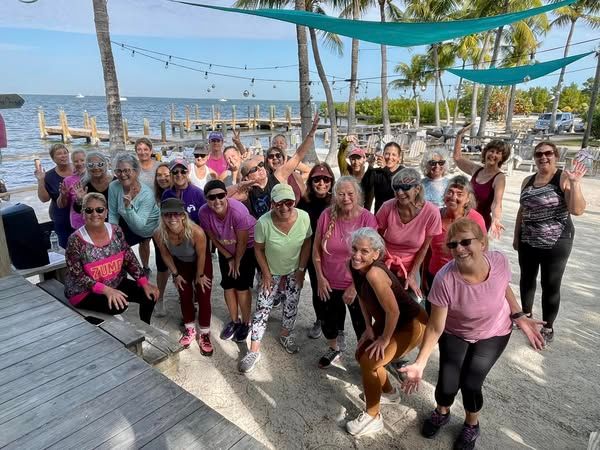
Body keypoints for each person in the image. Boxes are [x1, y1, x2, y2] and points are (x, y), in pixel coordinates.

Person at [401, 218, 544, 450]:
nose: (459, 248)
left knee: (470, 383)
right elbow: (436, 327)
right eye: (453, 245)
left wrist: (518, 314)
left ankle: (471, 424)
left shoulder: (498, 261)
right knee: (447, 384)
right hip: (455, 332)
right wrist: (420, 363)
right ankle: (442, 411)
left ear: (482, 243)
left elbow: (502, 286)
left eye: (466, 242)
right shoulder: (444, 279)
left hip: (494, 332)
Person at [345, 228, 428, 437]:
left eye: (364, 251)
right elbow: (362, 299)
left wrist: (384, 339)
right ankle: (389, 393)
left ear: (376, 254)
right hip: (390, 320)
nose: (357, 255)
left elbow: (394, 310)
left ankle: (373, 417)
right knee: (361, 354)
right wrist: (369, 328)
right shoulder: (354, 266)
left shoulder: (374, 273)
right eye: (355, 249)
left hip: (412, 322)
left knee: (370, 361)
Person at [513, 141, 587, 344]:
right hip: (528, 238)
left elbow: (577, 210)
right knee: (526, 279)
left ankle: (547, 325)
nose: (543, 157)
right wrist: (516, 235)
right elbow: (523, 209)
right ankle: (526, 316)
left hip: (556, 241)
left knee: (550, 284)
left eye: (548, 153)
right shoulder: (528, 180)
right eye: (539, 154)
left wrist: (575, 183)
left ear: (555, 155)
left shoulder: (562, 177)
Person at [238, 184, 312, 373]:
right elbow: (258, 249)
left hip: (294, 269)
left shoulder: (303, 217)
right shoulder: (263, 222)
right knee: (263, 306)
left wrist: (302, 269)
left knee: (292, 303)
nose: (284, 207)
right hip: (272, 270)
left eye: (289, 202)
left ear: (294, 202)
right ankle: (254, 350)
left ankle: (285, 335)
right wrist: (266, 274)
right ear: (272, 203)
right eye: (279, 203)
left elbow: (307, 242)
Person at [64, 193, 159, 324]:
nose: (94, 213)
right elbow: (77, 276)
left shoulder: (116, 230)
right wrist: (106, 290)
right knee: (119, 305)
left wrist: (144, 282)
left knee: (150, 294)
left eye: (99, 209)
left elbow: (129, 258)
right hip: (84, 292)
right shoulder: (75, 240)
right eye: (89, 210)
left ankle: (145, 326)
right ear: (83, 213)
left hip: (114, 282)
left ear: (106, 212)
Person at [313, 176, 377, 368]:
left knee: (362, 325)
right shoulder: (326, 215)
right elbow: (316, 249)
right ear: (335, 196)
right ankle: (334, 349)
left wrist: (355, 286)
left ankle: (366, 361)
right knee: (328, 322)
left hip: (357, 284)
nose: (346, 198)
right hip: (328, 281)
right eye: (341, 194)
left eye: (350, 194)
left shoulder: (367, 218)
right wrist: (319, 277)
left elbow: (372, 256)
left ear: (358, 195)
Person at [154, 198, 214, 355]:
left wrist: (200, 275)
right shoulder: (159, 233)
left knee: (203, 294)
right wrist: (175, 274)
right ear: (162, 216)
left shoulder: (196, 232)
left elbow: (202, 255)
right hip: (180, 263)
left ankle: (205, 334)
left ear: (183, 215)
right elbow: (165, 255)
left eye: (176, 214)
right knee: (184, 293)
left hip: (200, 261)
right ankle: (190, 329)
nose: (172, 218)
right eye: (167, 215)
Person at [199, 180, 257, 343]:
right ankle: (234, 320)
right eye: (212, 197)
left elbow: (243, 242)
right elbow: (212, 238)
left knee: (242, 286)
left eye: (220, 196)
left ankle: (246, 322)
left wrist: (237, 261)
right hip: (226, 249)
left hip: (247, 248)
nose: (217, 201)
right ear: (206, 199)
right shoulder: (204, 213)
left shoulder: (238, 210)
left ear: (226, 195)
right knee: (228, 285)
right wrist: (229, 258)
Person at [236, 113, 320, 219]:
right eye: (255, 169)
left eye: (260, 165)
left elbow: (298, 155)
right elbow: (244, 169)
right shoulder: (247, 191)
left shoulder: (277, 177)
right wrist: (240, 153)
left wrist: (311, 133)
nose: (260, 168)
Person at [376, 168, 442, 299]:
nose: (400, 193)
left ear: (417, 189)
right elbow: (376, 237)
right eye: (396, 188)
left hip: (411, 265)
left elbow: (424, 248)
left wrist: (412, 274)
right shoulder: (387, 207)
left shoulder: (431, 212)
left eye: (405, 187)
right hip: (385, 261)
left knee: (411, 303)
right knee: (383, 305)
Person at [297, 163, 335, 339]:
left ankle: (334, 323)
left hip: (334, 254)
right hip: (313, 252)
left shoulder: (337, 201)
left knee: (335, 290)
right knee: (317, 288)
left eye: (326, 179)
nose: (321, 183)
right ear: (311, 182)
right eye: (317, 179)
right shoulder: (305, 201)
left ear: (331, 181)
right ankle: (320, 320)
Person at [427, 176, 486, 288]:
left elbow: (483, 251)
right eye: (450, 192)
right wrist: (423, 275)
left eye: (459, 194)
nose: (453, 197)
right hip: (435, 277)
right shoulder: (434, 216)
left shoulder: (476, 219)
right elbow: (426, 251)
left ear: (468, 199)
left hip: (465, 279)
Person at [453, 124, 509, 237]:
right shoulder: (476, 169)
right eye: (491, 151)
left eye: (498, 153)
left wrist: (496, 219)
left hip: (480, 221)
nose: (493, 155)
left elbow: (497, 203)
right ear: (486, 152)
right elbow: (457, 158)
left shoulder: (499, 177)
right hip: (464, 217)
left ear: (502, 158)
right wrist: (459, 136)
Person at [108, 152, 160, 260]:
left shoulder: (147, 194)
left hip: (152, 228)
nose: (122, 174)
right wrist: (112, 237)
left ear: (136, 172)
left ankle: (145, 268)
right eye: (119, 171)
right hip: (131, 226)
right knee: (116, 249)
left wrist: (128, 207)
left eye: (127, 170)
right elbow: (113, 214)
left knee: (160, 262)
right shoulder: (114, 186)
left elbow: (140, 226)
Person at [35, 143, 73, 248]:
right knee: (66, 247)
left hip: (79, 214)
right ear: (53, 158)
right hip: (61, 216)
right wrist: (41, 180)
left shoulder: (78, 170)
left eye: (65, 153)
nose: (63, 156)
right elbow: (44, 199)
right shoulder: (49, 176)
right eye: (59, 154)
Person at [66, 151, 114, 230]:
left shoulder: (114, 182)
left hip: (115, 226)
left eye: (100, 164)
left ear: (106, 165)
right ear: (87, 167)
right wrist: (79, 200)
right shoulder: (85, 184)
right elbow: (78, 210)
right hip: (94, 226)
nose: (96, 168)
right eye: (91, 165)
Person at [151, 162, 173, 317]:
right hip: (160, 235)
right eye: (159, 175)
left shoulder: (178, 191)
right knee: (162, 268)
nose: (163, 178)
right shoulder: (153, 195)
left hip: (177, 234)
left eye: (166, 175)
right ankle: (160, 299)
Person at [135, 138, 160, 272]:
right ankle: (145, 266)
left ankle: (163, 266)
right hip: (141, 210)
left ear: (151, 150)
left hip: (158, 208)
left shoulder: (159, 166)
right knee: (143, 241)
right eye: (139, 150)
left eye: (145, 149)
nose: (143, 152)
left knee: (160, 240)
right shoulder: (134, 168)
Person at [361, 141, 404, 212]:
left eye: (394, 155)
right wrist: (370, 166)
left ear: (399, 158)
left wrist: (385, 168)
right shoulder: (378, 172)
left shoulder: (403, 172)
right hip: (380, 214)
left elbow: (397, 189)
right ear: (383, 155)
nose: (390, 157)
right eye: (387, 154)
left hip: (397, 215)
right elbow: (364, 187)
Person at [161, 159, 206, 224]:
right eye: (175, 172)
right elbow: (164, 217)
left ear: (187, 173)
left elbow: (205, 221)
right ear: (170, 174)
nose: (179, 175)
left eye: (183, 171)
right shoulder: (166, 194)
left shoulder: (199, 194)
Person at [57, 149, 86, 229]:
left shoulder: (93, 177)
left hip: (95, 219)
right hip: (77, 222)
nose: (79, 163)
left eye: (82, 160)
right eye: (76, 161)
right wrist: (63, 195)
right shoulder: (68, 180)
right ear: (72, 163)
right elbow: (61, 205)